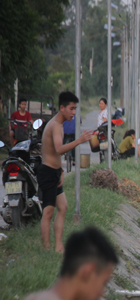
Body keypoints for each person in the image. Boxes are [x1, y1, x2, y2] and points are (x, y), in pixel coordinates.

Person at [38, 91, 94, 252]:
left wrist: (61, 170)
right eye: (71, 108)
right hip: (47, 172)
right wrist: (79, 141)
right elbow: (59, 149)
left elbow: (55, 153)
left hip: (55, 172)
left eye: (75, 109)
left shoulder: (60, 125)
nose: (74, 112)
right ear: (62, 108)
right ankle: (48, 250)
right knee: (48, 212)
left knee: (63, 207)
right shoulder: (55, 126)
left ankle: (58, 247)